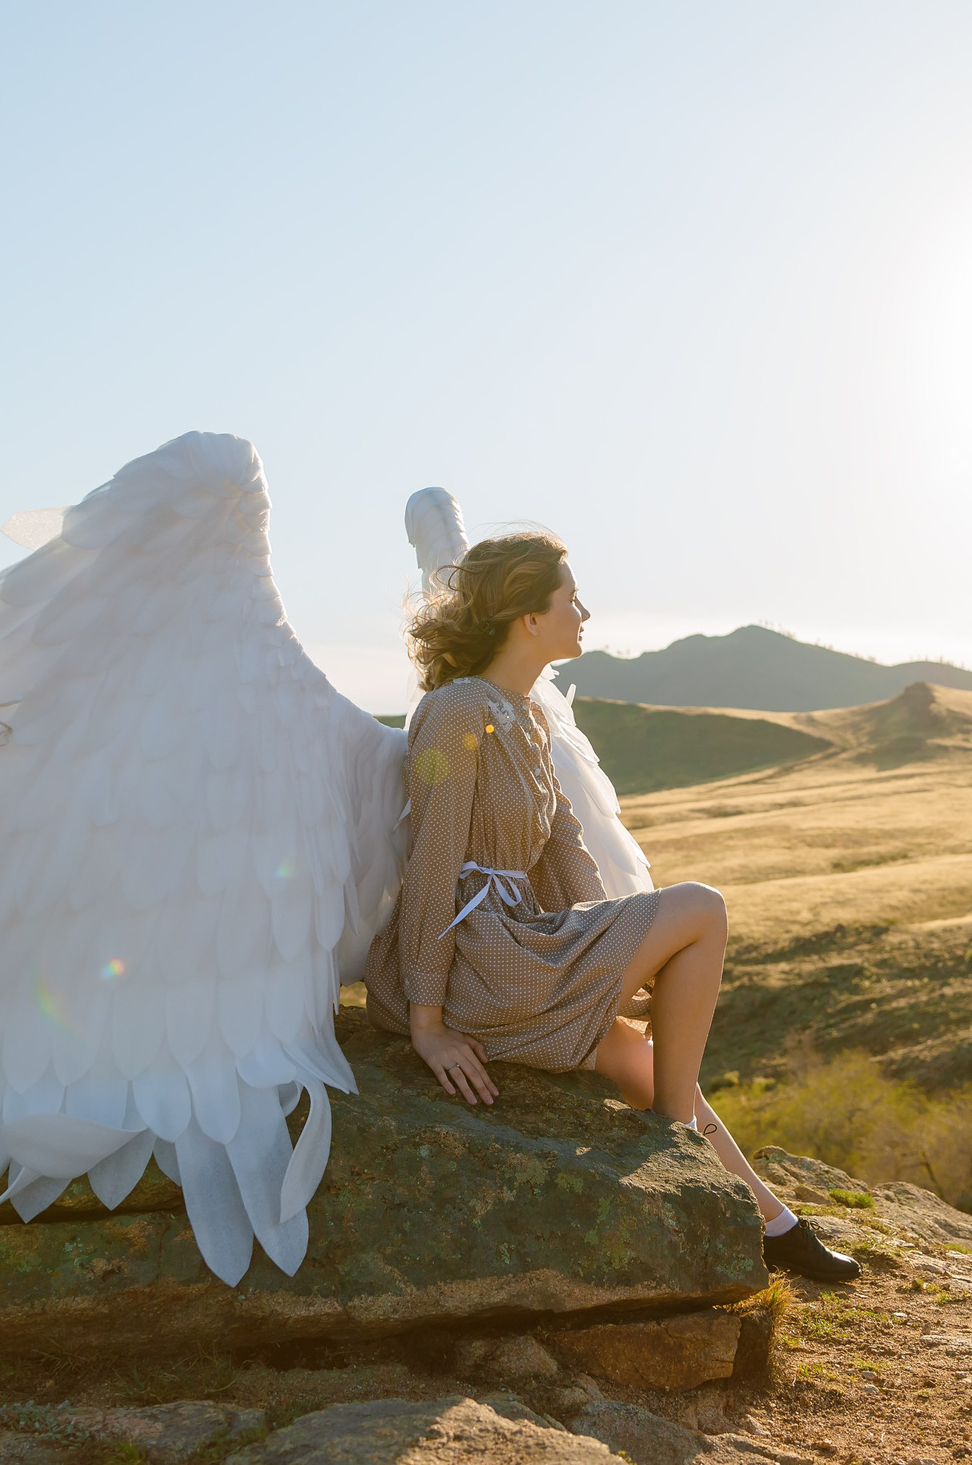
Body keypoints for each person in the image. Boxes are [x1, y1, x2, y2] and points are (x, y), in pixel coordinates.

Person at [363, 530, 859, 1283]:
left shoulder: (526, 716)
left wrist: (626, 956)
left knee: (646, 1061)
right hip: (482, 961)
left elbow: (569, 854)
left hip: (523, 946)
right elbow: (431, 865)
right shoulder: (457, 711)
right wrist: (426, 1025)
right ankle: (674, 1143)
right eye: (570, 598)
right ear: (529, 618)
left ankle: (774, 1223)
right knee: (703, 907)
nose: (584, 610)